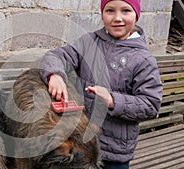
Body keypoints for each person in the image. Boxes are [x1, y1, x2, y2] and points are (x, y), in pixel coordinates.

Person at [40, 0, 163, 168]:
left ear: (137, 15)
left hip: (114, 152)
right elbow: (56, 56)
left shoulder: (144, 60)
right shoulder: (88, 42)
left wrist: (113, 101)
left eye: (126, 11)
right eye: (110, 10)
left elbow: (150, 105)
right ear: (102, 14)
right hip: (82, 146)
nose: (117, 18)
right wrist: (55, 74)